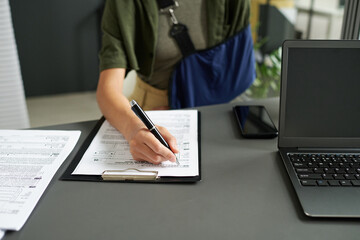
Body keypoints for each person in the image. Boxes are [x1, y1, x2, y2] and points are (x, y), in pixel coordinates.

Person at [96, 0, 251, 164]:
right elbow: (107, 91)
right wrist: (134, 128)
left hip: (217, 108)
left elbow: (239, 67)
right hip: (155, 112)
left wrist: (190, 105)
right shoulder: (123, 4)